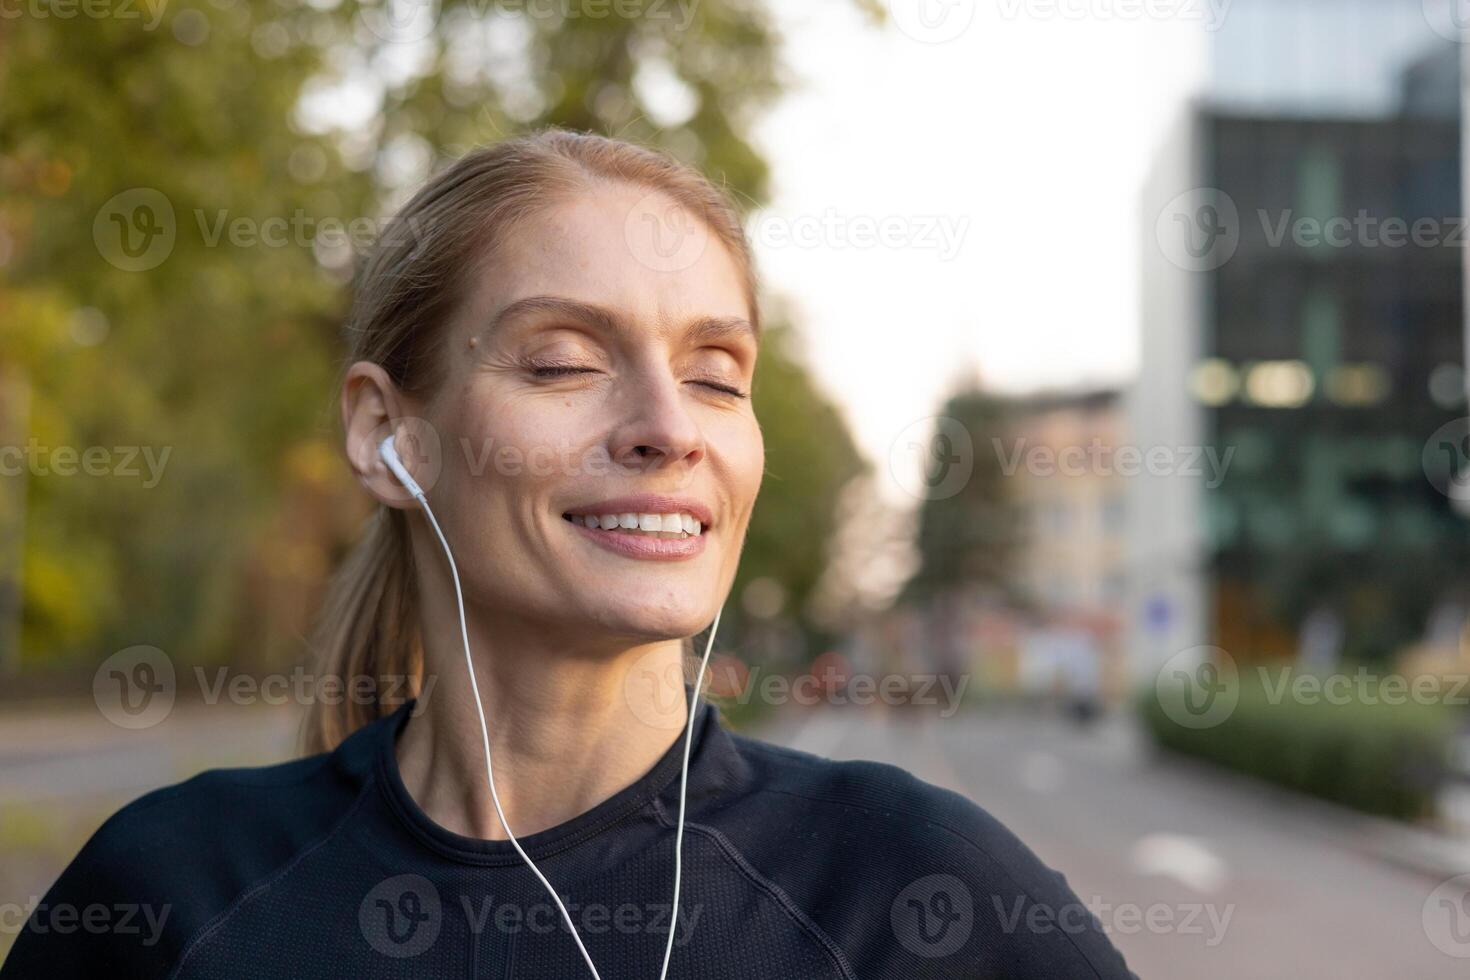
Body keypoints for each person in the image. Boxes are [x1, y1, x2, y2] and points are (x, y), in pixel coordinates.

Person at [1, 129, 1136, 979]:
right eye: (561, 362)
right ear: (387, 435)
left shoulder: (907, 888)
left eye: (715, 376)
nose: (668, 424)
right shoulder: (173, 892)